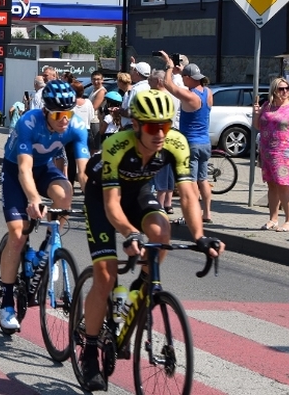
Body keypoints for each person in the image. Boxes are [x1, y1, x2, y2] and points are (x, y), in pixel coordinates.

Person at [78, 89, 225, 391]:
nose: (160, 133)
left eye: (166, 125)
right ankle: (90, 351)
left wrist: (200, 236)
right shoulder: (115, 145)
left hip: (140, 193)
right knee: (105, 276)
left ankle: (141, 287)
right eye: (152, 127)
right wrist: (129, 233)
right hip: (104, 199)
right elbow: (111, 206)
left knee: (162, 234)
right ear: (136, 126)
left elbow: (188, 195)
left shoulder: (176, 143)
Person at [0, 80, 90, 330]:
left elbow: (83, 172)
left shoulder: (77, 126)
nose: (65, 120)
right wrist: (33, 197)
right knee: (17, 235)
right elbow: (24, 169)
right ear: (46, 112)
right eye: (59, 114)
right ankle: (6, 302)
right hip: (17, 169)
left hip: (45, 168)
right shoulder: (28, 122)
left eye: (69, 113)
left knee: (65, 192)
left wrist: (97, 198)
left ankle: (51, 246)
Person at [160, 51, 214, 223]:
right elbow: (187, 80)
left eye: (184, 77)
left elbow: (168, 84)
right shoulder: (208, 92)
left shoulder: (190, 96)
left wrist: (168, 67)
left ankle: (192, 215)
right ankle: (207, 213)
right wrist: (183, 70)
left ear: (190, 78)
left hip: (191, 144)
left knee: (190, 182)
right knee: (203, 180)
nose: (182, 80)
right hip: (205, 143)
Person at [253, 77, 289, 232]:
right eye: (281, 89)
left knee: (283, 185)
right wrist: (256, 114)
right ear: (274, 91)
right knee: (271, 185)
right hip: (267, 151)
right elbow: (258, 126)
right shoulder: (267, 106)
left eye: (287, 88)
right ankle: (273, 219)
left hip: (285, 153)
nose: (284, 92)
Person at [149, 69, 181, 215]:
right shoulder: (173, 95)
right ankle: (168, 204)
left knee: (160, 170)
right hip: (173, 133)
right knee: (168, 171)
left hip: (161, 134)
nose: (149, 85)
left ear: (159, 81)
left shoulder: (159, 97)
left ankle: (160, 204)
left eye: (151, 82)